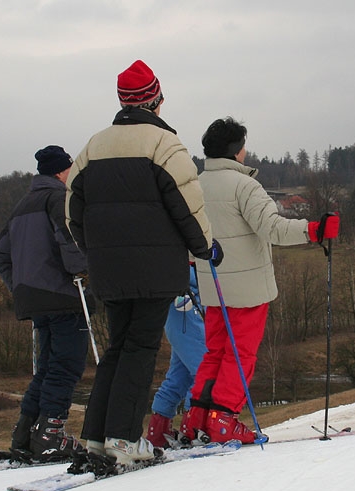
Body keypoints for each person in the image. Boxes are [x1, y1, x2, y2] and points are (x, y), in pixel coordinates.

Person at [65, 60, 220, 465]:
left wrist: (95, 249)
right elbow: (188, 204)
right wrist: (205, 246)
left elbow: (72, 213)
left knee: (118, 346)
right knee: (141, 347)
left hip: (108, 270)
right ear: (156, 100)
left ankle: (96, 439)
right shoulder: (164, 146)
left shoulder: (91, 148)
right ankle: (123, 440)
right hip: (155, 269)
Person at [181, 117, 339, 445]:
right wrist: (314, 230)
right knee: (240, 354)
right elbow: (273, 228)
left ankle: (196, 419)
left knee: (215, 352)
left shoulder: (196, 185)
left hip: (213, 287)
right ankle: (223, 419)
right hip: (248, 290)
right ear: (237, 150)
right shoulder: (244, 186)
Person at [0, 145, 90, 462]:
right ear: (62, 171)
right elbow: (69, 242)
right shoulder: (58, 199)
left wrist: (20, 287)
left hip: (34, 300)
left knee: (46, 368)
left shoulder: (21, 206)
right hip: (63, 297)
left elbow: (0, 257)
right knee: (66, 366)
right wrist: (85, 273)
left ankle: (25, 434)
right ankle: (50, 436)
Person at [144, 263, 207, 448]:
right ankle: (194, 426)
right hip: (185, 298)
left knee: (180, 376)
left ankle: (159, 429)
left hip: (185, 301)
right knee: (203, 371)